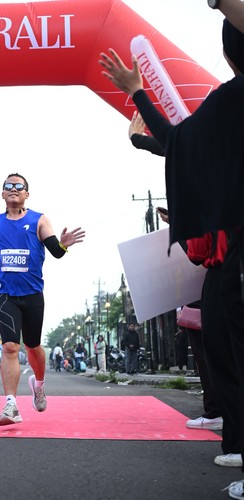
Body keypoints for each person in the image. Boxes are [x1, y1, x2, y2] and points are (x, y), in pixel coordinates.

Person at [99, 13, 244, 496]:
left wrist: (137, 91)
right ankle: (236, 437)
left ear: (229, 55)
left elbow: (181, 143)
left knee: (231, 354)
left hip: (235, 258)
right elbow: (182, 148)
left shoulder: (231, 100)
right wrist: (142, 139)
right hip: (226, 263)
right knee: (225, 352)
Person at [129, 115, 236, 455]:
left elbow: (198, 251)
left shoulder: (208, 184)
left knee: (219, 355)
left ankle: (228, 430)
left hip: (223, 275)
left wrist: (138, 138)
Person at [0, 173, 85, 426]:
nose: (14, 189)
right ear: (2, 194)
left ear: (27, 194)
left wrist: (63, 244)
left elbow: (55, 252)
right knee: (10, 347)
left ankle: (38, 385)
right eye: (9, 186)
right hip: (5, 293)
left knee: (33, 346)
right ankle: (10, 404)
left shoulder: (39, 220)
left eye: (19, 186)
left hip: (32, 294)